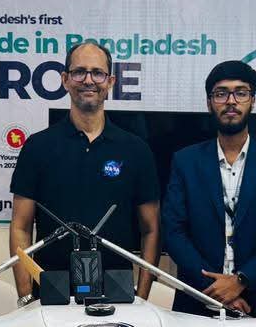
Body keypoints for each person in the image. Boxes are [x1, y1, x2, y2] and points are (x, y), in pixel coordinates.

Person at [9, 41, 160, 301]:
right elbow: (20, 227)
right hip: (51, 295)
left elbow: (152, 229)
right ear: (65, 80)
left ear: (110, 81)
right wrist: (26, 297)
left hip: (118, 296)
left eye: (97, 73)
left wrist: (143, 297)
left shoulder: (136, 150)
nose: (88, 80)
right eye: (79, 72)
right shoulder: (37, 146)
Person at [161, 60, 256, 317]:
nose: (231, 101)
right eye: (221, 93)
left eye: (241, 92)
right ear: (209, 103)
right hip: (196, 300)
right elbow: (173, 231)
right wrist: (215, 289)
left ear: (253, 100)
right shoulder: (185, 161)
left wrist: (241, 281)